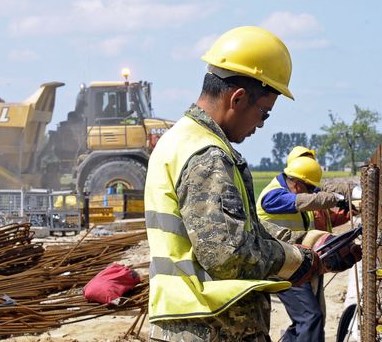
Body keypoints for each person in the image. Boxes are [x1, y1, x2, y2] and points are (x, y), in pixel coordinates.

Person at [145, 26, 337, 341]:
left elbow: (235, 229)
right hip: (212, 326)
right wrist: (297, 260)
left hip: (189, 322)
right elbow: (227, 256)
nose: (260, 125)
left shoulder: (180, 140)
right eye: (264, 113)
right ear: (238, 98)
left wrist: (307, 239)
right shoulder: (207, 156)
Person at [256, 153, 356, 342]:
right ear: (296, 182)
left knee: (310, 319)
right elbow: (302, 201)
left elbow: (319, 219)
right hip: (281, 265)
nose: (311, 192)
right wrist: (334, 198)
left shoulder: (292, 191)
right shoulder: (273, 196)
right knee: (310, 318)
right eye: (309, 188)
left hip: (297, 261)